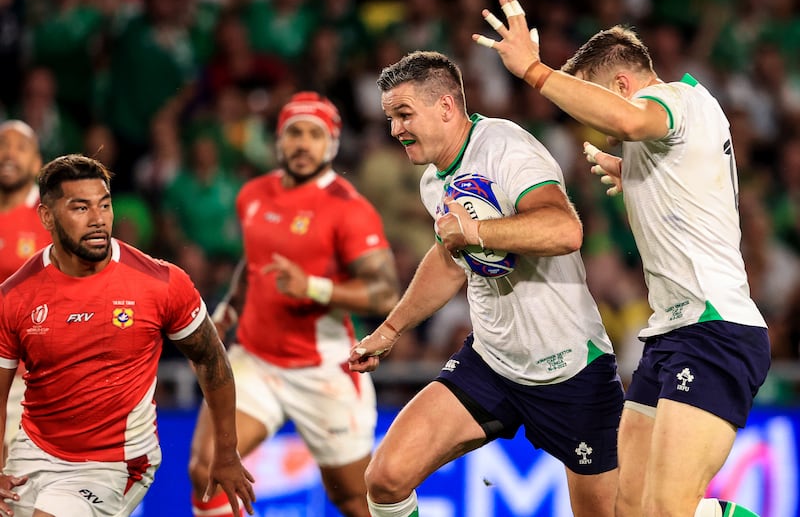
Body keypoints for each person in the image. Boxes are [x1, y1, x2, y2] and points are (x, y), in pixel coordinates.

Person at [475, 0, 770, 517]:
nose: (587, 118)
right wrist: (633, 176)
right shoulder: (656, 142)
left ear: (621, 85)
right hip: (671, 334)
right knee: (627, 511)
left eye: (590, 96)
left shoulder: (680, 99)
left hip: (715, 330)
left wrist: (533, 71)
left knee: (666, 511)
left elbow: (634, 122)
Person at [348, 50, 624, 517]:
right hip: (492, 363)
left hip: (569, 370)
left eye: (403, 114)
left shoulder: (504, 147)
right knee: (386, 479)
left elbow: (564, 230)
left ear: (446, 107)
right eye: (391, 118)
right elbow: (450, 259)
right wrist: (391, 330)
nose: (395, 129)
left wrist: (475, 232)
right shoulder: (434, 180)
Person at [0, 154, 255, 517]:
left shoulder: (160, 282)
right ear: (46, 216)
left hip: (116, 462)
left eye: (104, 205)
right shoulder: (15, 296)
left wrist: (227, 453)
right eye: (80, 208)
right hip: (34, 450)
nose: (98, 220)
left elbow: (211, 359)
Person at [188, 91, 400, 517]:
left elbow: (386, 292)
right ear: (279, 140)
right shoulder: (253, 194)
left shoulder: (349, 209)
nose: (303, 144)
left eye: (314, 135)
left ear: (332, 144)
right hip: (257, 359)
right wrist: (229, 308)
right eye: (294, 133)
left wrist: (315, 288)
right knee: (207, 469)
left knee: (353, 498)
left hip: (324, 370)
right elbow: (255, 260)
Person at [0, 120, 51, 467]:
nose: (9, 153)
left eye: (20, 147)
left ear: (37, 164)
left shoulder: (50, 219)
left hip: (28, 380)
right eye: (3, 145)